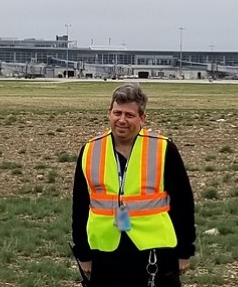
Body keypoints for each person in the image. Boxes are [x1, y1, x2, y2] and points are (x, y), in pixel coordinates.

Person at [71, 83, 196, 287]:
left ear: (142, 118)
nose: (122, 120)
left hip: (155, 250)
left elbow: (183, 203)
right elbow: (80, 206)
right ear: (109, 114)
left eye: (129, 115)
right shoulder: (90, 150)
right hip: (105, 250)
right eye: (117, 113)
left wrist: (184, 251)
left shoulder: (163, 149)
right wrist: (83, 253)